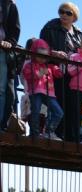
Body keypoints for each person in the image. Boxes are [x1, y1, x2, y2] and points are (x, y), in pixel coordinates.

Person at [39, 2, 82, 140]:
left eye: (68, 13)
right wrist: (53, 53)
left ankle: (72, 137)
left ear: (74, 17)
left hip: (73, 74)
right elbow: (40, 48)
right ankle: (54, 134)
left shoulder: (79, 33)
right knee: (58, 102)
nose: (64, 15)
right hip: (55, 71)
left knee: (73, 106)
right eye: (61, 12)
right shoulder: (50, 27)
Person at [21, 39, 63, 139]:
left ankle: (49, 131)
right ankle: (34, 133)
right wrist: (38, 74)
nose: (42, 58)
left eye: (45, 56)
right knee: (35, 111)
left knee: (59, 112)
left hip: (50, 93)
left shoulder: (50, 66)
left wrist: (62, 64)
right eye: (40, 55)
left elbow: (59, 73)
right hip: (35, 91)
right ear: (34, 54)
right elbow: (26, 75)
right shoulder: (29, 65)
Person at [0, 0, 21, 131]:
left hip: (2, 50)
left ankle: (1, 125)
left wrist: (9, 42)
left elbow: (15, 29)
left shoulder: (9, 5)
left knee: (1, 90)